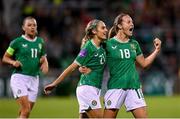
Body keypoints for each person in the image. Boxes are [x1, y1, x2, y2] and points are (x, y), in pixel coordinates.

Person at [80, 13, 161, 118]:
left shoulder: (134, 44)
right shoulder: (107, 44)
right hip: (115, 88)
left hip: (133, 87)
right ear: (119, 26)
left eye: (132, 22)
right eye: (128, 22)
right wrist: (84, 64)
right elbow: (91, 51)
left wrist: (157, 50)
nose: (132, 24)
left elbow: (144, 64)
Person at [44, 19, 108, 118]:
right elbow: (72, 67)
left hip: (94, 88)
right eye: (103, 28)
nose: (106, 30)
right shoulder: (88, 47)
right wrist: (54, 83)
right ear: (94, 31)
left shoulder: (103, 45)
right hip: (87, 88)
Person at [2, 16, 49, 118]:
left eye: (34, 25)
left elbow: (43, 56)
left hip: (34, 79)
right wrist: (13, 62)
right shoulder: (17, 42)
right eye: (29, 25)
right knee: (26, 110)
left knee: (25, 112)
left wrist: (45, 64)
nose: (32, 27)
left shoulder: (40, 42)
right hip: (20, 78)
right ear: (23, 28)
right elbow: (5, 58)